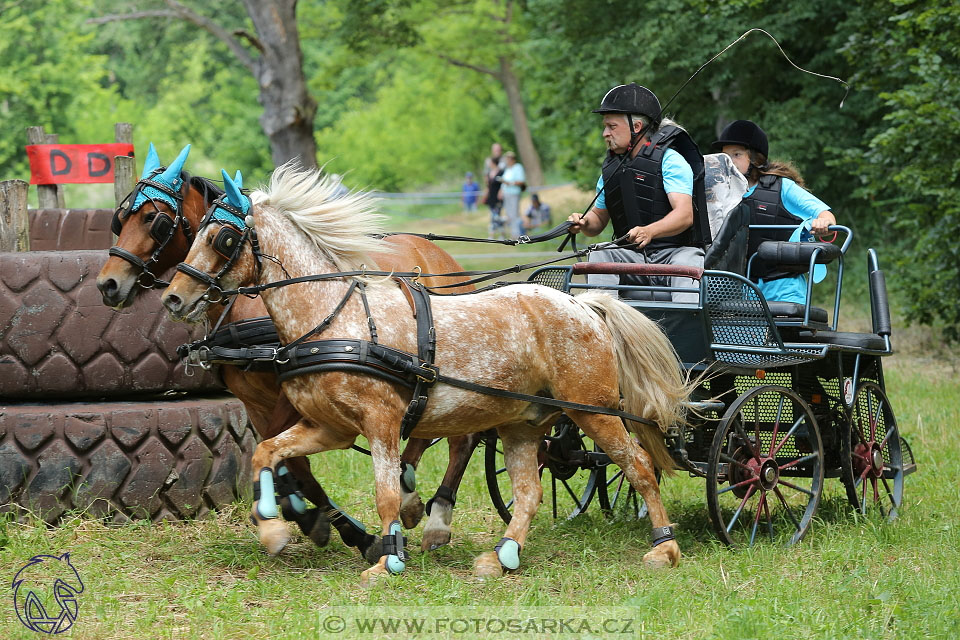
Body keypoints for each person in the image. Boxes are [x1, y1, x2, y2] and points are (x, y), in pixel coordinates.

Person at [566, 83, 710, 303]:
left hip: (675, 254)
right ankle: (604, 324)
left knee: (688, 261)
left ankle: (686, 329)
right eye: (605, 127)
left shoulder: (671, 161)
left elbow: (684, 215)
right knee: (600, 254)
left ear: (637, 126)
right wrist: (583, 223)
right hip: (633, 257)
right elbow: (598, 221)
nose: (605, 133)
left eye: (612, 126)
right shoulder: (611, 169)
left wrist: (649, 231)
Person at [712, 119, 836, 304]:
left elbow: (825, 214)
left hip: (783, 285)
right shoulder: (717, 194)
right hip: (739, 287)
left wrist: (823, 223)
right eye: (724, 157)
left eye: (736, 155)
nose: (729, 162)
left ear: (755, 158)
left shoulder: (781, 187)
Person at [499, 151, 526, 238]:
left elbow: (521, 181)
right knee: (509, 214)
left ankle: (517, 233)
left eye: (509, 158)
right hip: (507, 194)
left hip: (514, 193)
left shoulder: (517, 167)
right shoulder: (507, 169)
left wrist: (509, 183)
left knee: (514, 213)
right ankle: (513, 232)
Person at [483, 143, 506, 239]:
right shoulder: (489, 172)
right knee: (493, 216)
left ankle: (500, 233)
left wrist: (502, 190)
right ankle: (492, 233)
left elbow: (504, 180)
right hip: (491, 196)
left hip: (498, 196)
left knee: (497, 216)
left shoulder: (501, 170)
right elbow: (487, 182)